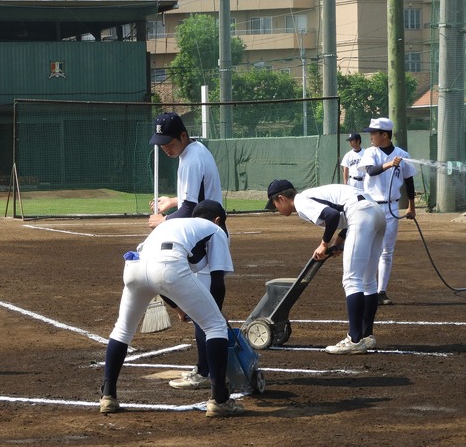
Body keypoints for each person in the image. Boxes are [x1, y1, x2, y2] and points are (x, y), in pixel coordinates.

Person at [100, 200, 244, 417]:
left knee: (122, 330)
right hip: (167, 266)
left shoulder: (177, 226)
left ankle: (107, 396)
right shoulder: (216, 230)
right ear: (218, 220)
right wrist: (217, 313)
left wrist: (178, 308)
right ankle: (220, 400)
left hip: (135, 267)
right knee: (215, 326)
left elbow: (159, 273)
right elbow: (216, 280)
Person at [148, 112, 224, 390]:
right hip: (208, 234)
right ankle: (206, 367)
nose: (165, 147)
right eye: (161, 143)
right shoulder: (194, 153)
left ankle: (206, 372)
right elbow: (195, 197)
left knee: (202, 307)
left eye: (169, 141)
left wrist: (163, 221)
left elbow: (191, 210)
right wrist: (173, 201)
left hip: (203, 237)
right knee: (203, 306)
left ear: (183, 136)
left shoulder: (191, 159)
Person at [265, 179, 386, 354]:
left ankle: (354, 339)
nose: (276, 208)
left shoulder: (301, 201)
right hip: (376, 213)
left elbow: (332, 215)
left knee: (352, 280)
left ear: (282, 198)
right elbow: (347, 209)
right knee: (368, 281)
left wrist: (324, 244)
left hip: (360, 214)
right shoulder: (313, 194)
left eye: (275, 204)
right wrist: (341, 238)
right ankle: (366, 336)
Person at [357, 117, 416, 305]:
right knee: (367, 248)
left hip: (392, 206)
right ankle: (366, 288)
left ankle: (381, 291)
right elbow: (371, 171)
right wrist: (389, 164)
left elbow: (409, 181)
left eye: (373, 133)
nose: (370, 136)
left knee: (386, 251)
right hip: (371, 206)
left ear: (385, 135)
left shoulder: (402, 154)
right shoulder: (370, 153)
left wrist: (411, 206)